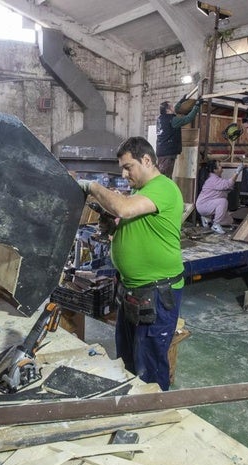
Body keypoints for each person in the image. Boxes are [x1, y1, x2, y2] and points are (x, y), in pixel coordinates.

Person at [77, 137, 183, 391]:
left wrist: (91, 186)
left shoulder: (163, 187)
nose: (124, 174)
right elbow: (128, 220)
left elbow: (124, 209)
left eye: (128, 167)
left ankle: (150, 413)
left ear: (147, 160)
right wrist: (111, 226)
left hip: (156, 292)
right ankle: (131, 402)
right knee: (127, 359)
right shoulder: (141, 192)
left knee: (150, 367)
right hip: (132, 290)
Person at [156, 96, 202, 177]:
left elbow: (175, 110)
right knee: (166, 177)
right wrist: (197, 106)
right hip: (168, 154)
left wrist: (181, 101)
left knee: (162, 174)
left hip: (162, 151)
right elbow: (188, 118)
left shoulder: (161, 118)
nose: (174, 107)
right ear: (167, 110)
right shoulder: (172, 120)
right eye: (172, 106)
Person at [195, 159, 237, 234]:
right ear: (215, 170)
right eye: (219, 165)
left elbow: (225, 187)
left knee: (229, 221)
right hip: (203, 206)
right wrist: (237, 173)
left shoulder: (217, 179)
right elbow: (227, 184)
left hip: (207, 205)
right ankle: (215, 224)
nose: (221, 167)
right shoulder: (212, 179)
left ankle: (207, 219)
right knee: (223, 202)